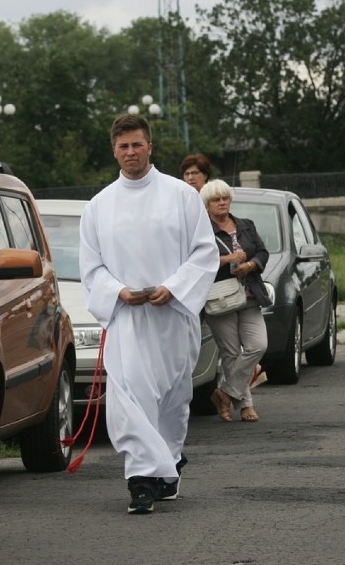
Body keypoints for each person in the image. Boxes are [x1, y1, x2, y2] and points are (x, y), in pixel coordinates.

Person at [79, 114, 218, 515]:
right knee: (129, 398)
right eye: (123, 146)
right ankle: (140, 480)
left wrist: (172, 288)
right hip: (127, 320)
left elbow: (204, 252)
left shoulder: (181, 195)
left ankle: (169, 466)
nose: (130, 152)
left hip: (172, 317)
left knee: (172, 400)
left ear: (150, 147)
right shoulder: (99, 206)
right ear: (114, 150)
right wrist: (118, 291)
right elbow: (91, 267)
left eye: (137, 144)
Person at [200, 179, 271, 423]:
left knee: (257, 346)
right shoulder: (202, 231)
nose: (221, 202)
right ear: (206, 204)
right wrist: (229, 259)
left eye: (225, 198)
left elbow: (262, 252)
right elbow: (198, 262)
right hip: (220, 297)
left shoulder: (245, 225)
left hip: (250, 295)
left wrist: (251, 265)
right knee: (230, 352)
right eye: (215, 199)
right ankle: (246, 405)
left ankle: (224, 393)